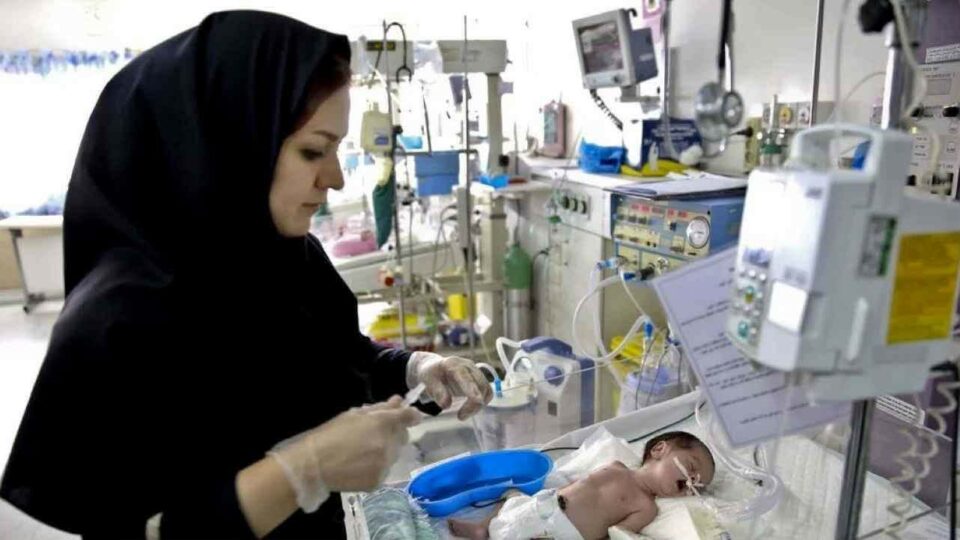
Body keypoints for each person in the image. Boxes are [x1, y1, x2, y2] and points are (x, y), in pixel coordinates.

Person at [0, 11, 492, 539]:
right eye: (313, 151)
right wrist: (299, 472)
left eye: (335, 150)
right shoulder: (116, 323)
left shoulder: (285, 258)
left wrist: (415, 368)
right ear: (231, 144)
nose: (334, 178)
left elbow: (336, 357)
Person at [448, 432, 715, 540]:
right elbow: (579, 483)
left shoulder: (647, 507)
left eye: (698, 485)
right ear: (659, 450)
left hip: (563, 531)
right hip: (546, 504)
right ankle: (482, 528)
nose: (692, 481)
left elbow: (616, 534)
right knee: (512, 498)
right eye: (691, 467)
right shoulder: (615, 466)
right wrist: (552, 493)